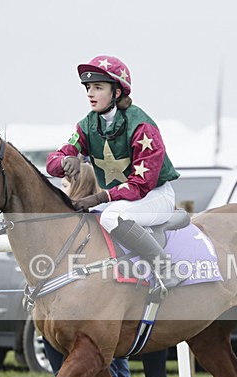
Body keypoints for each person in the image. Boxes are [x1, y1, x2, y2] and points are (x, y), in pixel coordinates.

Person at [51, 162, 178, 377]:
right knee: (135, 376)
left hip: (134, 306)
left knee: (146, 376)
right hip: (127, 306)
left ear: (78, 186)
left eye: (65, 185)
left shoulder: (104, 218)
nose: (61, 190)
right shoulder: (96, 218)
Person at [46, 55, 182, 297]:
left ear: (117, 92)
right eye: (88, 88)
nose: (90, 93)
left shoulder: (142, 127)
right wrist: (66, 161)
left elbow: (141, 186)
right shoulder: (88, 125)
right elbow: (54, 162)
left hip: (155, 195)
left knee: (111, 217)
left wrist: (99, 198)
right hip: (120, 200)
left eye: (98, 87)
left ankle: (166, 267)